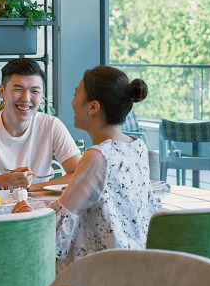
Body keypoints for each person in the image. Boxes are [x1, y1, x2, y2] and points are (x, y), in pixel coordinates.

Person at [42, 65, 157, 274]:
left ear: (93, 107)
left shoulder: (98, 156)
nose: (72, 102)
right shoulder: (138, 147)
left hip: (99, 274)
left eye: (76, 94)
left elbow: (59, 228)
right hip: (136, 266)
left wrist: (28, 216)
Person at [0, 58, 82, 194]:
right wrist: (7, 179)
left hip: (41, 205)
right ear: (2, 91)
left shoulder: (51, 126)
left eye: (34, 91)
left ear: (42, 94)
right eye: (18, 89)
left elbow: (81, 174)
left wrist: (33, 188)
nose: (26, 98)